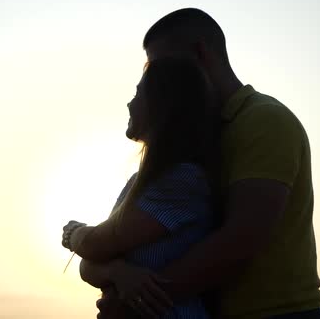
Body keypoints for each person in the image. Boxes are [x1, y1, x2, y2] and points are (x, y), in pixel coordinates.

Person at [80, 8, 320, 319]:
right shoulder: (199, 141)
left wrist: (136, 302)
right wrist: (119, 276)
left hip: (277, 312)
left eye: (161, 66)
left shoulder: (264, 120)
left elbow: (239, 241)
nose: (155, 79)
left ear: (199, 53)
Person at [62, 58, 222, 318]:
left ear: (163, 107)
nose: (129, 103)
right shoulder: (139, 182)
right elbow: (88, 265)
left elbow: (95, 247)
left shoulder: (183, 180)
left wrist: (73, 233)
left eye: (138, 94)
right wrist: (117, 273)